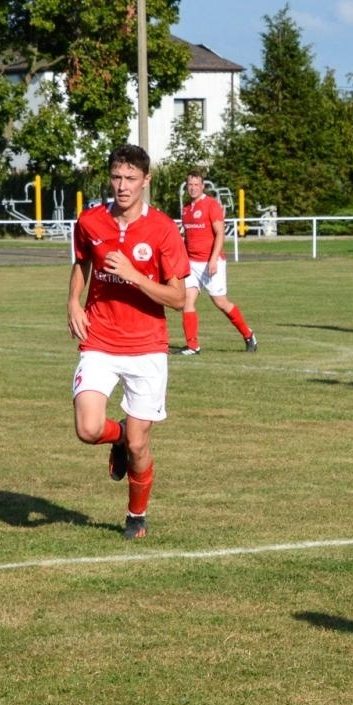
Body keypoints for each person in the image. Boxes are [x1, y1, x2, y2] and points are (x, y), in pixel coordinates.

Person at [68, 144, 188, 540]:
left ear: (146, 181)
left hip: (148, 347)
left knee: (140, 447)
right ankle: (115, 436)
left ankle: (136, 515)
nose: (122, 186)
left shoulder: (163, 229)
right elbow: (82, 262)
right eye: (117, 178)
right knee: (87, 429)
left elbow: (176, 298)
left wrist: (135, 275)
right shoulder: (89, 221)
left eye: (131, 179)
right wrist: (73, 301)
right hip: (99, 339)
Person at [175, 171, 256, 356]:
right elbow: (187, 237)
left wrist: (213, 259)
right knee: (187, 301)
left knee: (220, 302)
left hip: (211, 262)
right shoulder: (186, 209)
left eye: (196, 184)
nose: (193, 187)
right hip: (192, 263)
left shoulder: (211, 205)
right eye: (190, 184)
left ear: (202, 186)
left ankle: (248, 334)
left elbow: (220, 233)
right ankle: (193, 346)